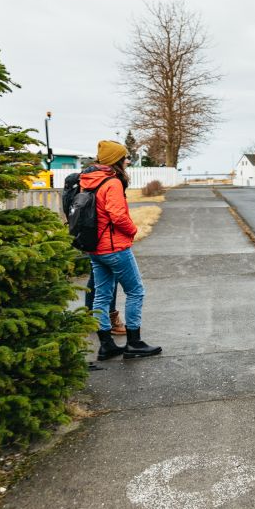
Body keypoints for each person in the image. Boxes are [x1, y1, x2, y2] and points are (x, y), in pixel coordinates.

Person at [82, 140, 161, 361]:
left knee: (101, 295)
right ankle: (134, 343)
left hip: (95, 247)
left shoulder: (88, 180)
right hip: (114, 247)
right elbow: (117, 215)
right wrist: (133, 229)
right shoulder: (112, 182)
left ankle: (106, 345)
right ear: (116, 160)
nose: (127, 160)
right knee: (136, 291)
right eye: (124, 157)